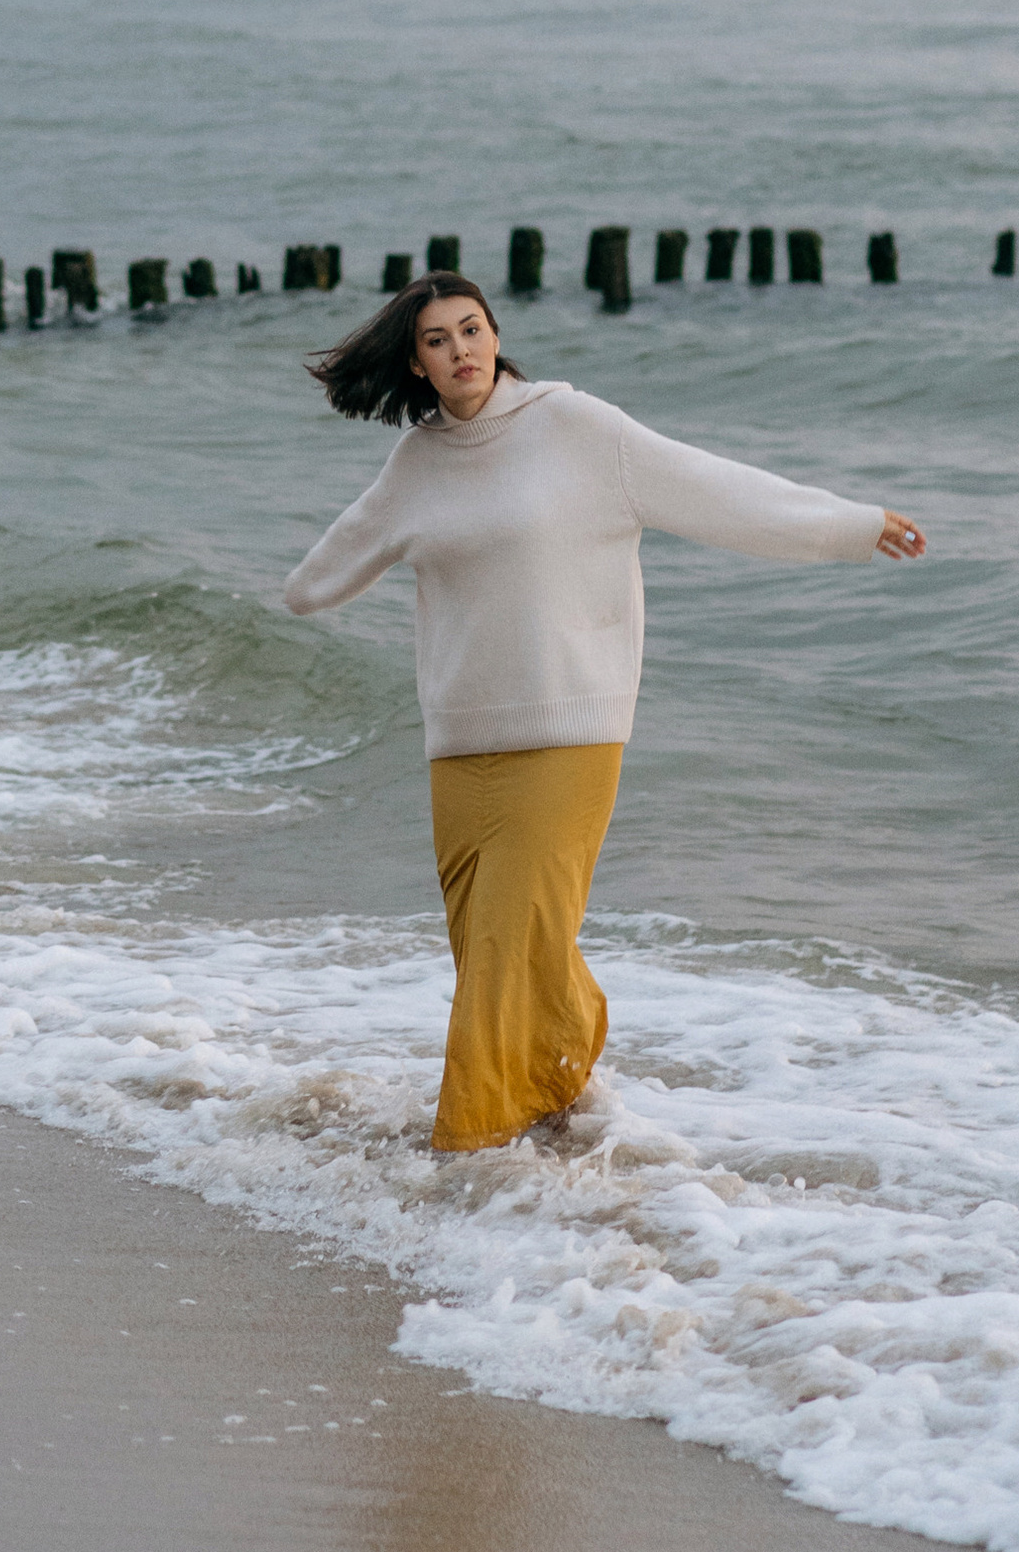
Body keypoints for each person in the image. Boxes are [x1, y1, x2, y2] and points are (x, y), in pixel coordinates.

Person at [284, 274, 924, 1154]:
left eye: (472, 329)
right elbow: (318, 581)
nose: (461, 350)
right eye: (437, 340)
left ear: (496, 335)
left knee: (505, 948)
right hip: (461, 746)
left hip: (569, 732)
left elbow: (718, 490)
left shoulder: (577, 428)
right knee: (500, 950)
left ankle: (470, 1149)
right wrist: (308, 582)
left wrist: (849, 524)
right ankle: (558, 1091)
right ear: (417, 364)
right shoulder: (417, 464)